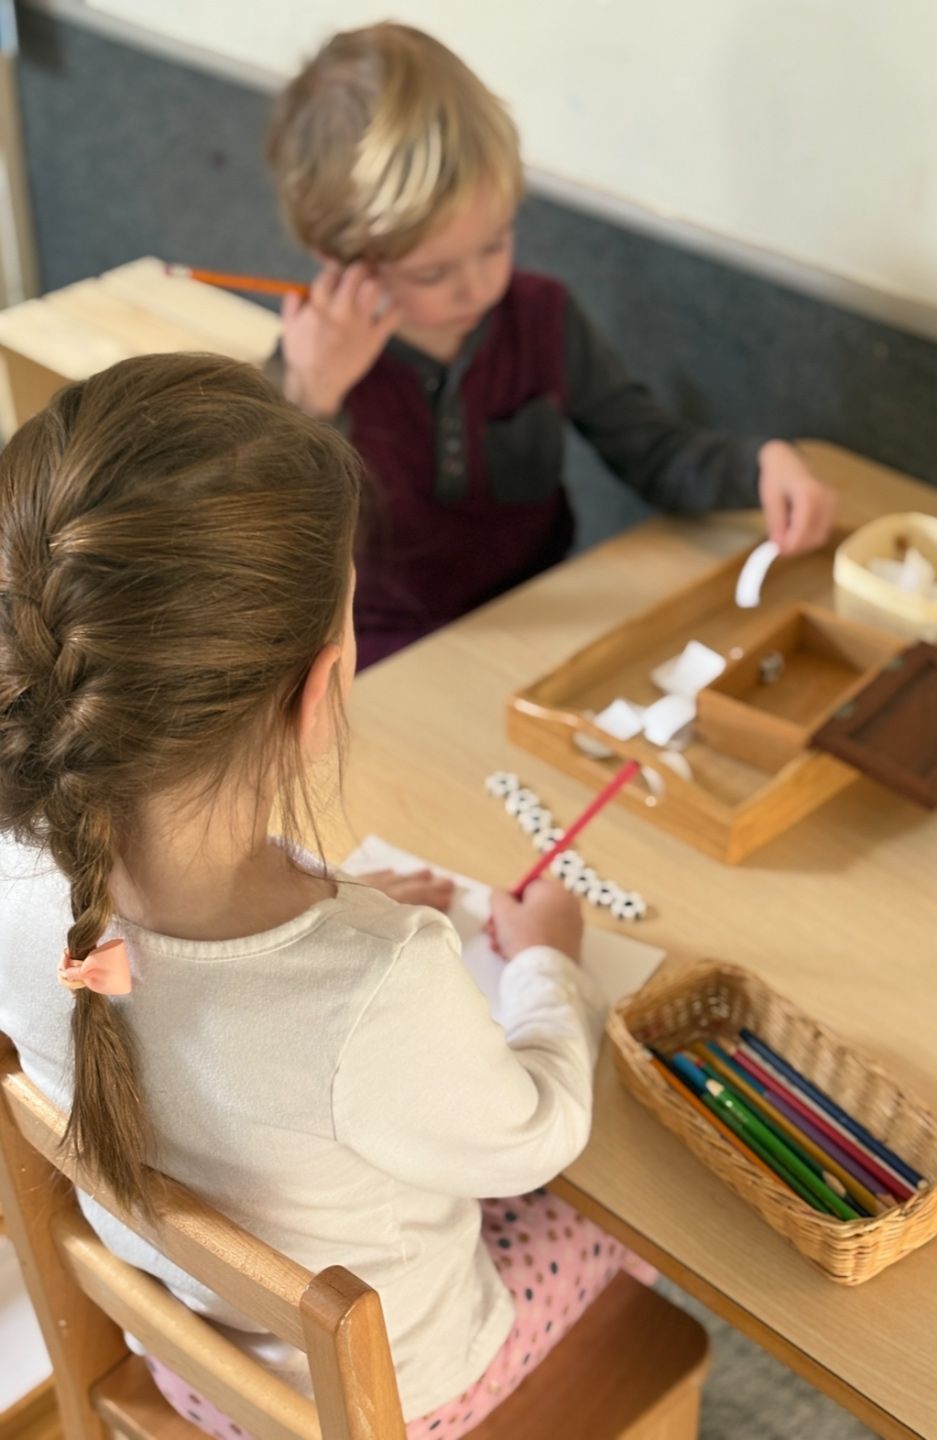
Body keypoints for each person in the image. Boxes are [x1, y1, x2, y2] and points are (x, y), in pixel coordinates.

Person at [0, 354, 654, 1440]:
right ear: (322, 692)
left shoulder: (17, 884)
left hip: (189, 1361)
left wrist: (328, 913)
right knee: (630, 1229)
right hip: (398, 1399)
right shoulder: (382, 985)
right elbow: (537, 1134)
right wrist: (549, 965)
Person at [266, 22, 838, 668]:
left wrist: (759, 467)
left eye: (496, 243)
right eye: (433, 273)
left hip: (538, 618)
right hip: (378, 656)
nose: (479, 285)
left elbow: (653, 449)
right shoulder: (306, 370)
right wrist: (313, 398)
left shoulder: (542, 317)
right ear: (338, 258)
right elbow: (272, 562)